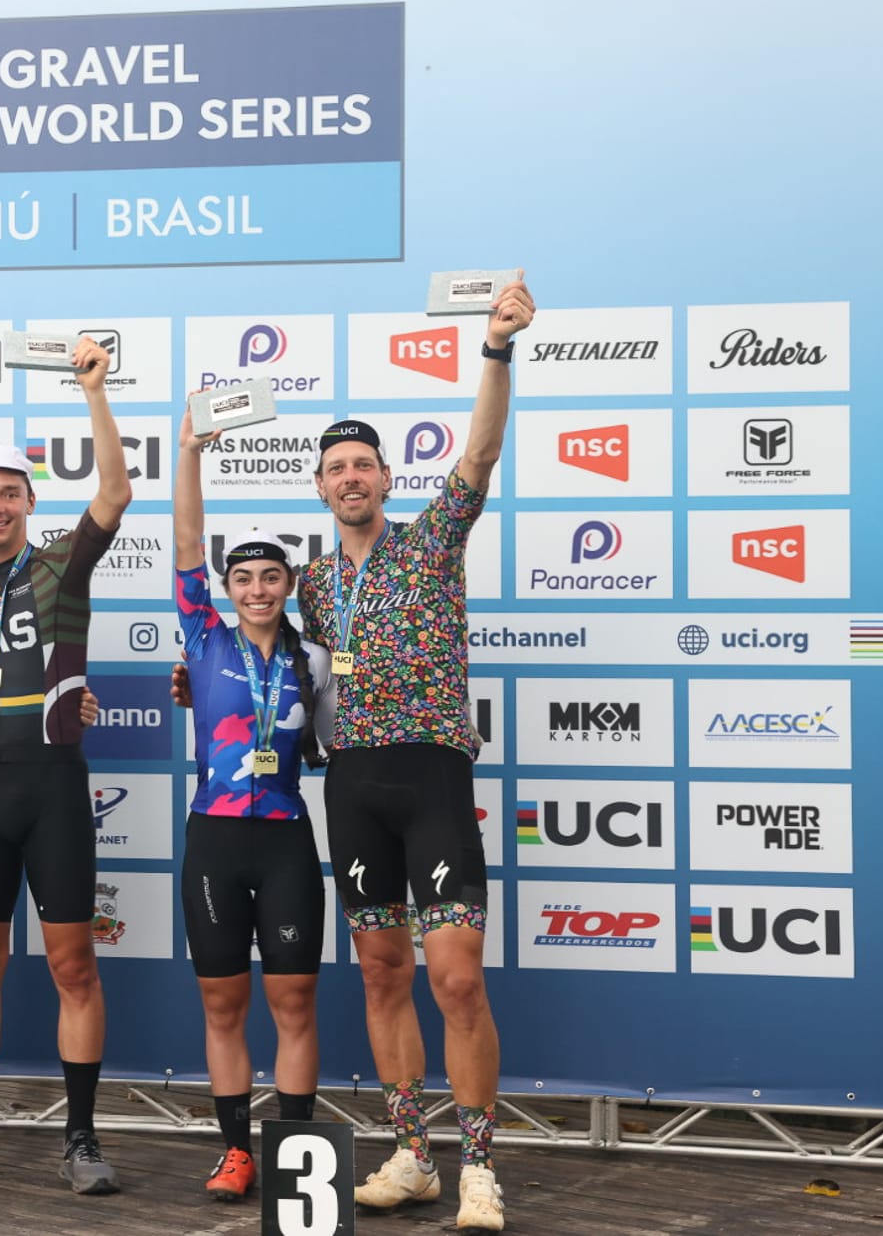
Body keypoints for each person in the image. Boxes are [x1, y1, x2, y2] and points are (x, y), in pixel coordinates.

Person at [299, 275, 533, 1233]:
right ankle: (412, 1153)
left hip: (433, 770)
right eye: (336, 468)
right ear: (320, 487)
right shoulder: (311, 584)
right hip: (352, 780)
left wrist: (496, 346)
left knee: (457, 978)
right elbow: (285, 670)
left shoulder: (435, 540)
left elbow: (479, 451)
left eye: (364, 464)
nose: (351, 478)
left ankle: (480, 1166)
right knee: (381, 972)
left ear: (387, 479)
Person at [0, 335, 132, 1197]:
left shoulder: (59, 565)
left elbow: (114, 493)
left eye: (10, 491)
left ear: (29, 501)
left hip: (52, 789)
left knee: (74, 965)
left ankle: (80, 1137)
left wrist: (94, 393)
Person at [172, 398, 331, 1203]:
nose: (259, 588)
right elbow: (185, 542)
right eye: (244, 577)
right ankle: (236, 1150)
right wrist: (190, 451)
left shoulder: (316, 658)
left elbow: (335, 742)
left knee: (294, 999)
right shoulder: (204, 638)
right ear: (227, 587)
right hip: (215, 839)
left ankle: (296, 1152)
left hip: (285, 839)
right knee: (223, 1001)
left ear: (290, 583)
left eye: (272, 576)